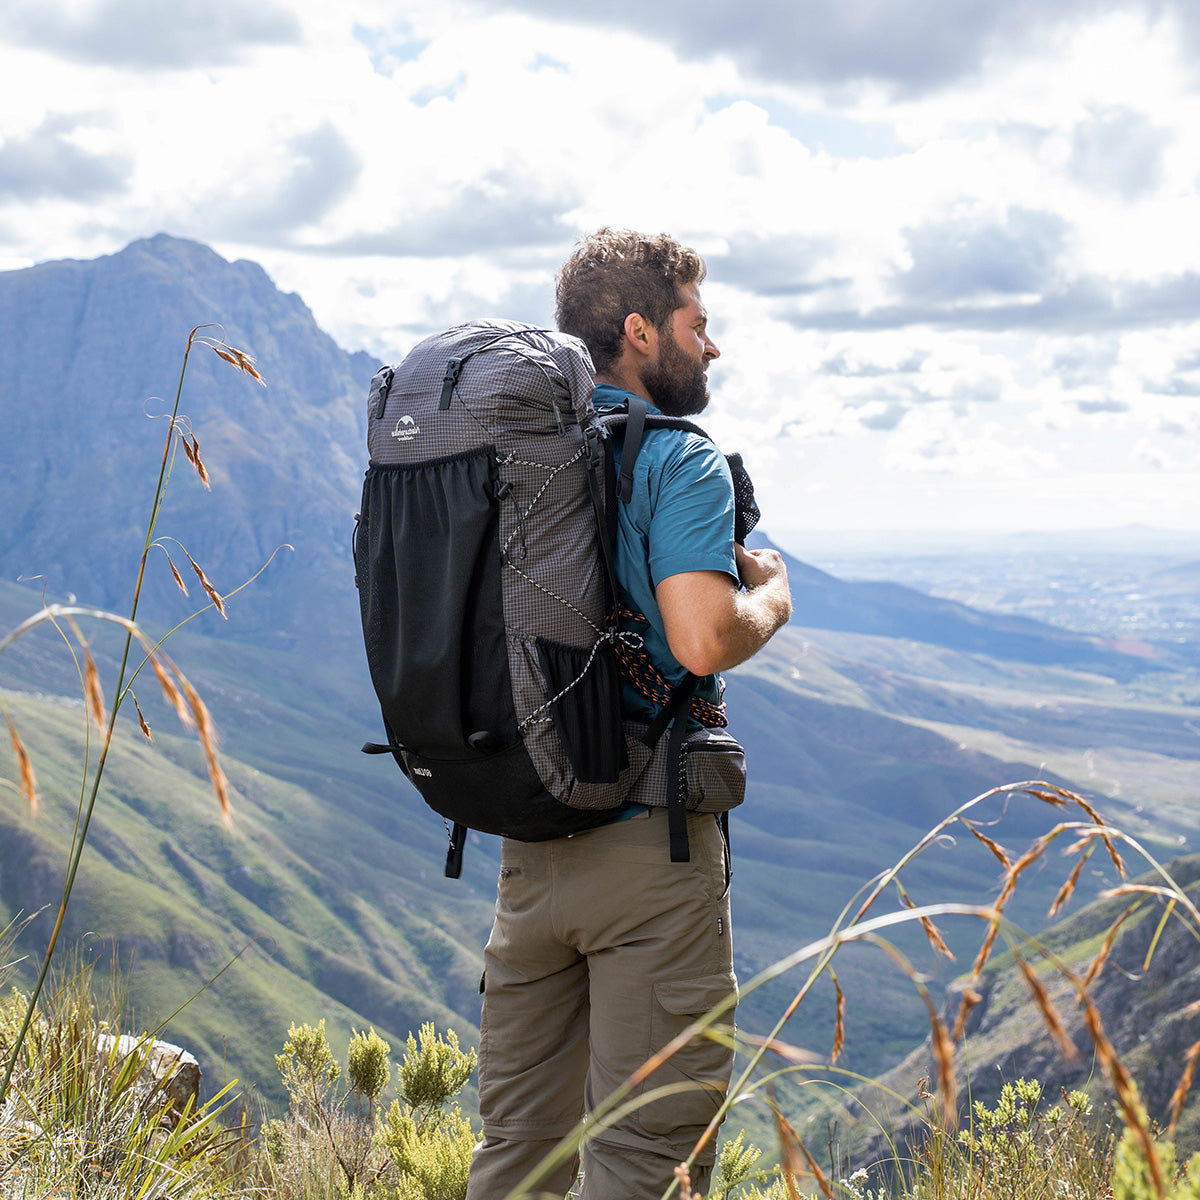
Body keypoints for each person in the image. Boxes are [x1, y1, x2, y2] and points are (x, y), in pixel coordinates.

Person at [464, 229, 792, 1200]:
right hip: (650, 851)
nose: (712, 346)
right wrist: (772, 597)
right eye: (698, 324)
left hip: (530, 839)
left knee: (517, 1154)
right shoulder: (678, 459)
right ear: (642, 331)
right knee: (646, 1158)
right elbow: (700, 639)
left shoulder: (512, 457)